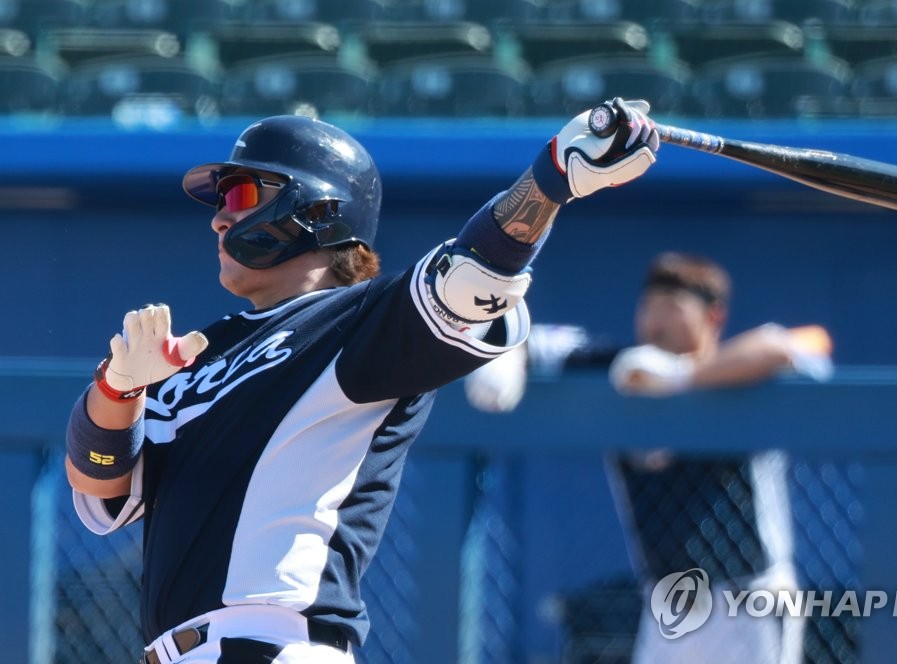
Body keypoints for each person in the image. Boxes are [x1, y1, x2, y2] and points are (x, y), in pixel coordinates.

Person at [63, 100, 660, 664]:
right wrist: (118, 389)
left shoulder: (357, 320)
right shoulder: (199, 350)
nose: (220, 217)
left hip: (272, 642)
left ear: (318, 208)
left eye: (242, 193)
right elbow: (101, 493)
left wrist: (552, 175)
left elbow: (470, 277)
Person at [464, 251, 834, 664]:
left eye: (673, 308)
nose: (655, 322)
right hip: (668, 602)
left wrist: (680, 379)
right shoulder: (622, 369)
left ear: (713, 317)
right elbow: (537, 341)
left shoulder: (737, 373)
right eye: (648, 307)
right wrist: (503, 359)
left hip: (748, 599)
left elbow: (794, 344)